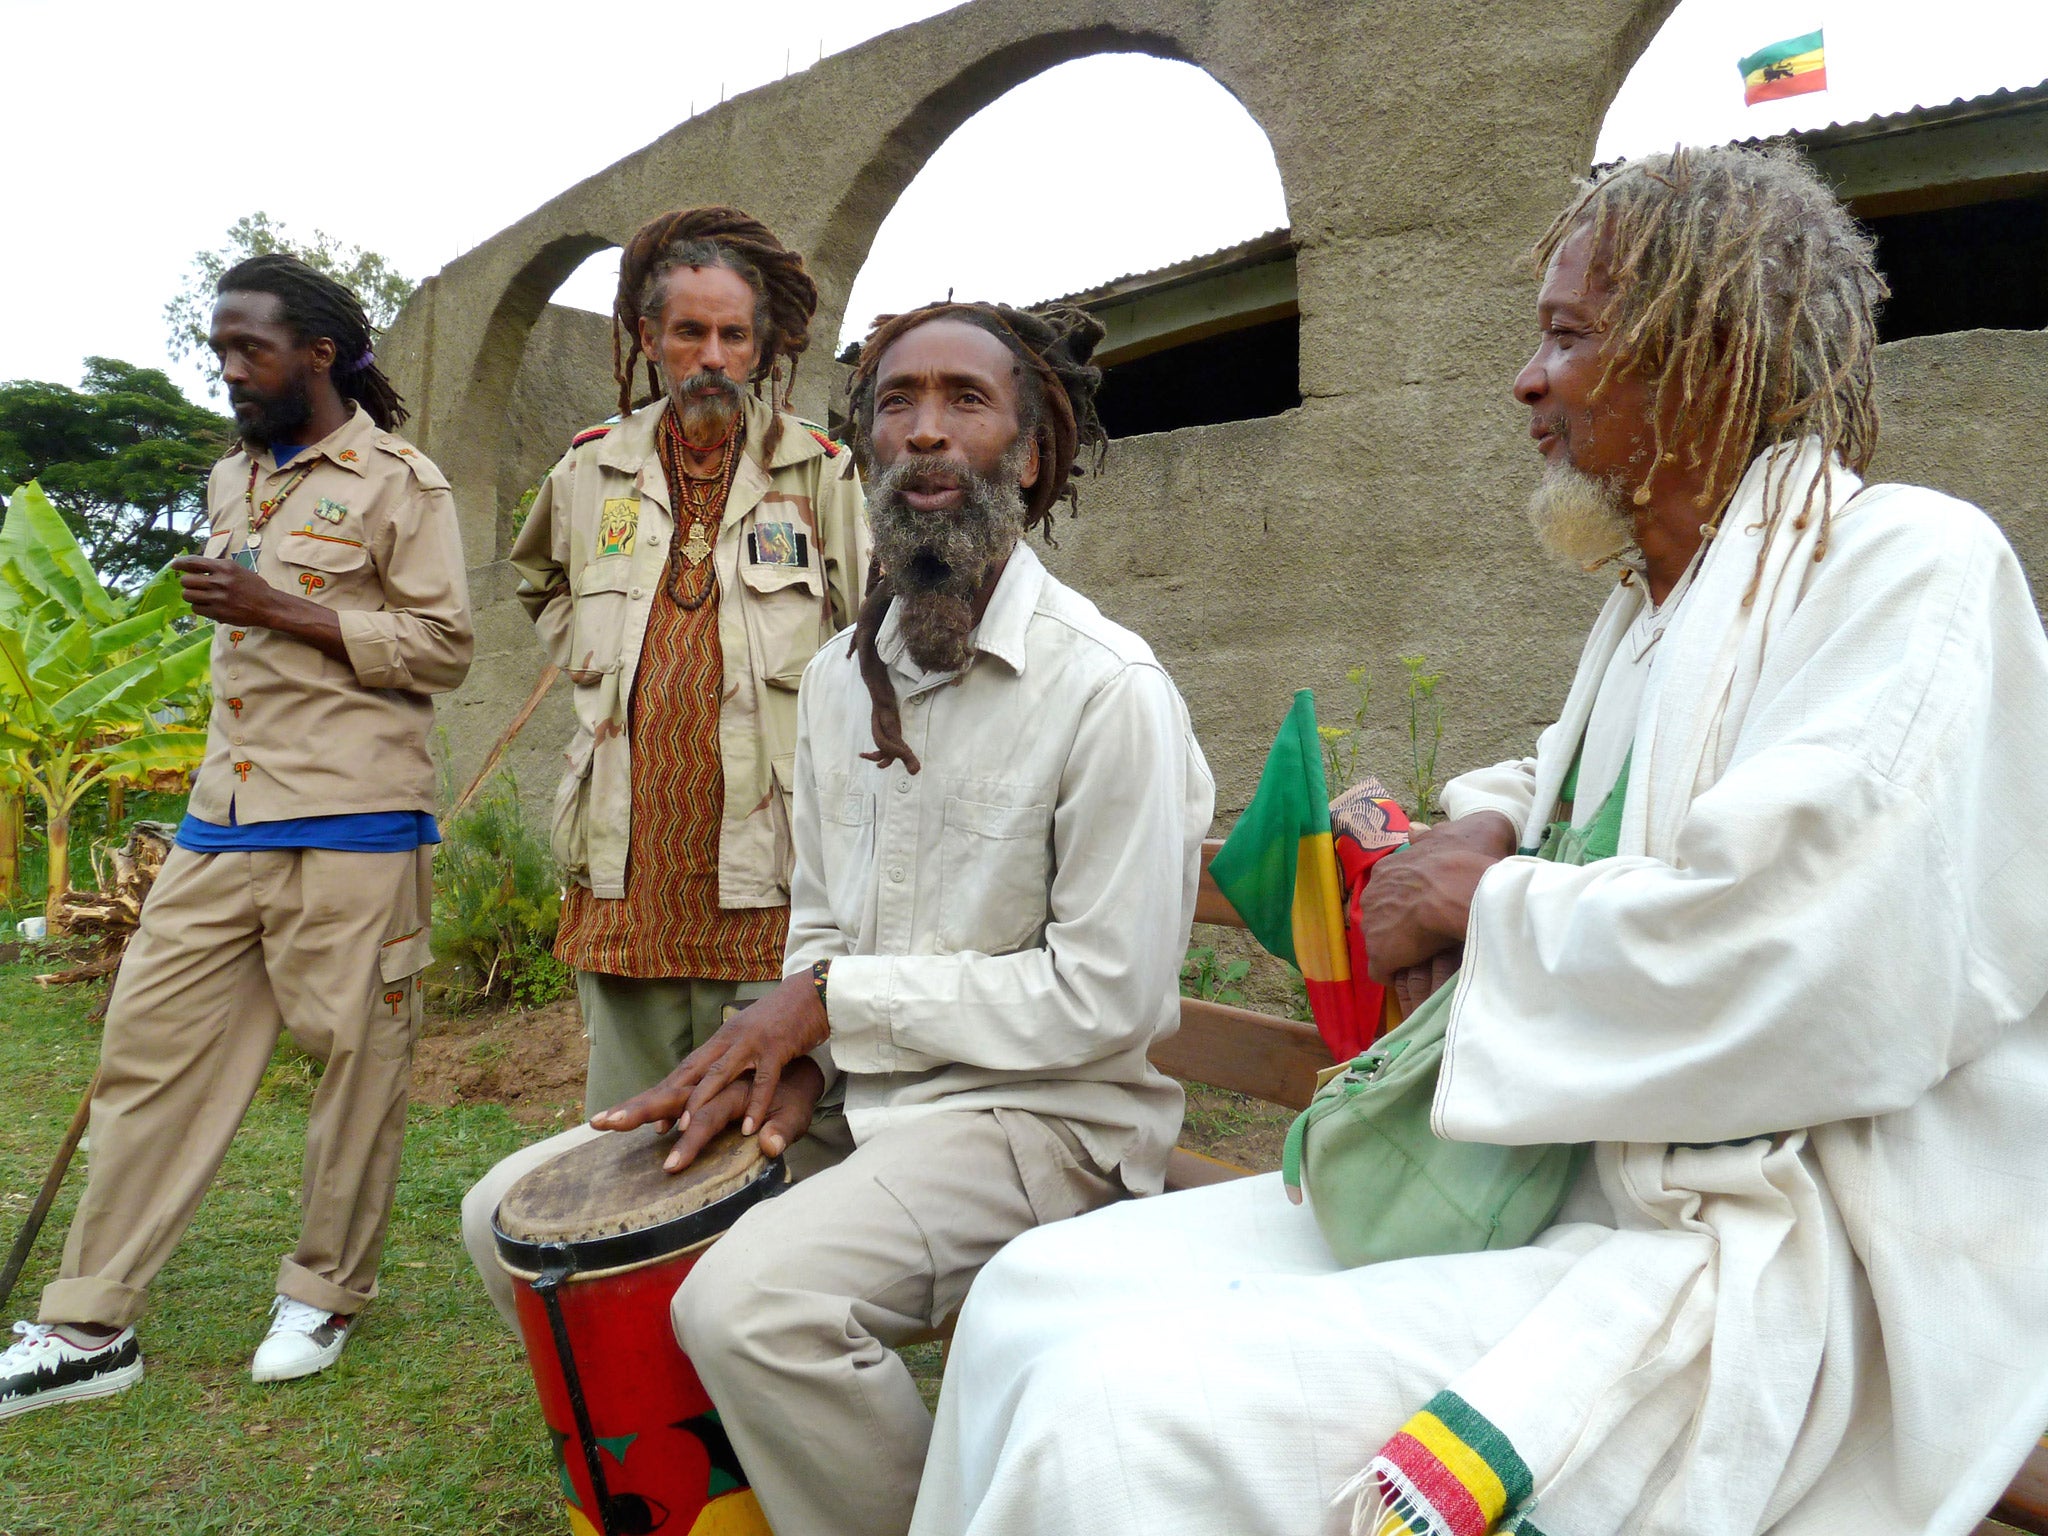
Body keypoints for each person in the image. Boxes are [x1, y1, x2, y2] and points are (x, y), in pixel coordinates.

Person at [910, 144, 2048, 1536]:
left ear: (1707, 354)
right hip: (1570, 1185)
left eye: (1567, 337)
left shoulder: (1909, 569)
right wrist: (1492, 813)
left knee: (1114, 1428)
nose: (1527, 380)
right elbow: (1600, 788)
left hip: (1740, 1246)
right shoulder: (1656, 613)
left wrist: (1486, 898)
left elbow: (1808, 955)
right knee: (1033, 1293)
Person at [588, 300, 1215, 1536]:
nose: (925, 433)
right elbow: (822, 919)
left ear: (1030, 456)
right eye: (894, 403)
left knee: (753, 1309)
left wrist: (835, 1005)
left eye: (965, 403)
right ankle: (732, 1502)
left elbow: (1109, 1002)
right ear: (862, 447)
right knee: (536, 1215)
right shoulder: (836, 678)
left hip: (1049, 1125)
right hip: (866, 1095)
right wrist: (800, 1046)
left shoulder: (1107, 691)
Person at [0, 255, 473, 1418]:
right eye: (218, 349)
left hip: (355, 824)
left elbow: (445, 645)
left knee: (356, 1066)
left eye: (248, 348)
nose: (228, 370)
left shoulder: (399, 482)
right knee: (146, 1050)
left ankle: (322, 1290)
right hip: (220, 824)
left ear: (317, 352)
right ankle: (87, 1322)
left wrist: (286, 611)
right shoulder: (231, 478)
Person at [459, 208, 868, 1327]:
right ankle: (632, 1348)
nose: (713, 360)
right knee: (634, 1135)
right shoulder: (590, 470)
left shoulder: (818, 474)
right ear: (647, 336)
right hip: (625, 867)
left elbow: (874, 628)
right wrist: (594, 659)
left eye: (734, 337)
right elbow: (541, 578)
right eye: (688, 334)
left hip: (770, 872)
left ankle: (750, 1341)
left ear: (765, 345)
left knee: (765, 1138)